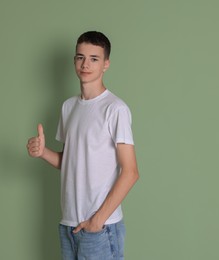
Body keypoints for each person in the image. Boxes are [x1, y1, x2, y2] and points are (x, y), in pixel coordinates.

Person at [26, 31, 139, 260]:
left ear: (106, 63)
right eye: (80, 57)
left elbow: (131, 172)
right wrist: (42, 152)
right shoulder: (68, 107)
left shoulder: (115, 109)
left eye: (94, 58)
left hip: (99, 228)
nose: (85, 64)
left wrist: (97, 221)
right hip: (68, 225)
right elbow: (70, 162)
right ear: (74, 60)